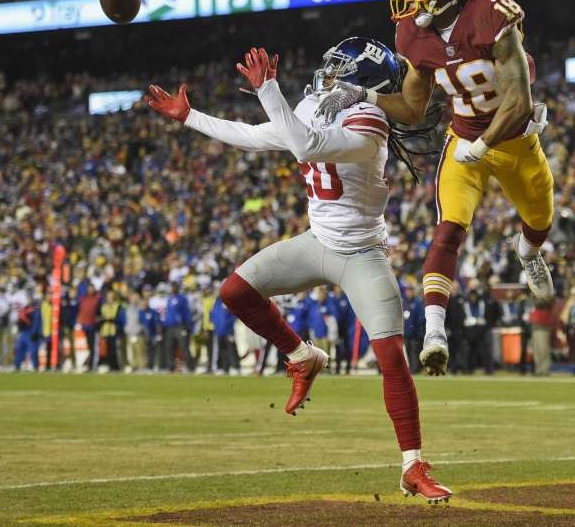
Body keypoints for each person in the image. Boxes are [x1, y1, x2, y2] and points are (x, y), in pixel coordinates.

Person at [143, 38, 450, 501]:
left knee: (392, 360)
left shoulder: (371, 123)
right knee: (235, 293)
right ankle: (302, 355)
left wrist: (269, 89)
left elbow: (305, 144)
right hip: (316, 242)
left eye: (339, 70)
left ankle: (412, 465)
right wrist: (190, 117)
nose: (327, 75)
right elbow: (255, 136)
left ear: (365, 82)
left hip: (362, 254)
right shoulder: (312, 105)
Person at [316, 0, 554, 376]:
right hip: (462, 138)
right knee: (447, 231)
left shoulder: (490, 13)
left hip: (514, 140)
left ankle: (529, 252)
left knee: (540, 221)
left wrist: (483, 146)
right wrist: (366, 94)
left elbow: (518, 101)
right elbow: (411, 108)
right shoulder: (412, 34)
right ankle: (434, 334)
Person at [162, 282, 193, 372]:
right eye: (172, 287)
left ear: (178, 288)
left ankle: (189, 366)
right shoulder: (169, 299)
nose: (173, 288)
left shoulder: (182, 298)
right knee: (169, 347)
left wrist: (186, 326)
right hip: (169, 327)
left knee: (184, 347)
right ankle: (170, 366)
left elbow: (186, 312)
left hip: (180, 326)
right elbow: (168, 313)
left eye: (175, 287)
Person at [402, 283, 426, 374]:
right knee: (408, 351)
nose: (409, 292)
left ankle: (415, 368)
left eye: (410, 290)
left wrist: (416, 327)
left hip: (415, 334)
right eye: (408, 290)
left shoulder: (417, 302)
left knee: (415, 351)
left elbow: (422, 317)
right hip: (406, 332)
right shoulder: (404, 302)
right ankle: (412, 367)